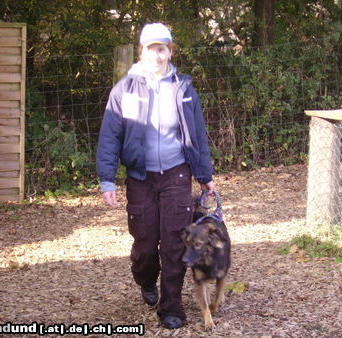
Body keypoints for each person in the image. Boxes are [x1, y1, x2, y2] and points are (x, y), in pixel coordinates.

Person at [96, 23, 216, 329]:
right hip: (140, 176)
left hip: (177, 174)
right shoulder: (124, 89)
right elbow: (110, 137)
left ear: (170, 51)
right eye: (152, 49)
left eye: (162, 49)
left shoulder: (184, 89)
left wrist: (204, 176)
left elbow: (198, 136)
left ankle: (171, 308)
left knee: (175, 243)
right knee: (146, 244)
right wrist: (107, 178)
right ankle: (145, 279)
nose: (158, 55)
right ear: (142, 52)